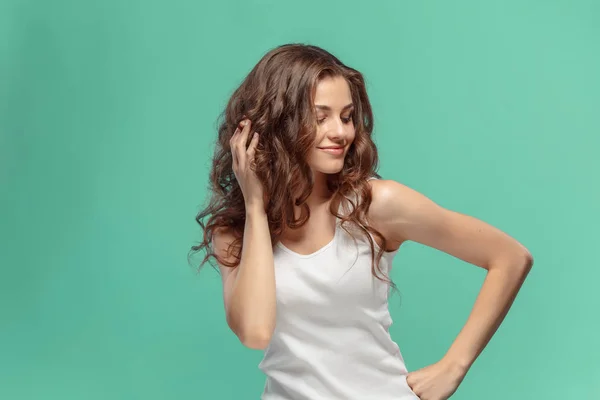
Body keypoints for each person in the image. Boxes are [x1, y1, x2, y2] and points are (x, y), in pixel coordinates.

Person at [190, 43, 533, 400]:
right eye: (320, 117)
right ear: (276, 125)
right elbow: (255, 332)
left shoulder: (374, 204)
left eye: (347, 116)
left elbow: (510, 257)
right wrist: (256, 206)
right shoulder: (233, 233)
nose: (341, 132)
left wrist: (453, 366)